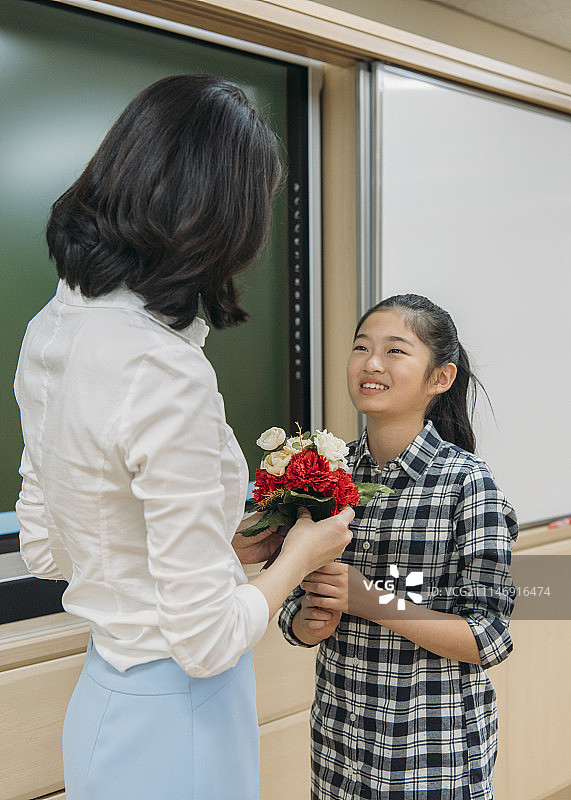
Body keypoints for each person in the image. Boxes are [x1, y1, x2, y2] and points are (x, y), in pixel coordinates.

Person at [14, 74, 354, 800]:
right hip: (180, 724)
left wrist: (218, 550)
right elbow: (204, 644)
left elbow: (47, 548)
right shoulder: (163, 369)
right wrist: (299, 554)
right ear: (216, 215)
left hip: (105, 701)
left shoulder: (51, 330)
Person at [279, 294, 518, 800]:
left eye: (395, 351)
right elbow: (300, 602)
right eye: (361, 347)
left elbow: (489, 637)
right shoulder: (326, 477)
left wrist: (371, 599)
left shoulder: (468, 485)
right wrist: (303, 623)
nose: (371, 364)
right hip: (338, 751)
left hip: (431, 759)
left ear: (440, 378)